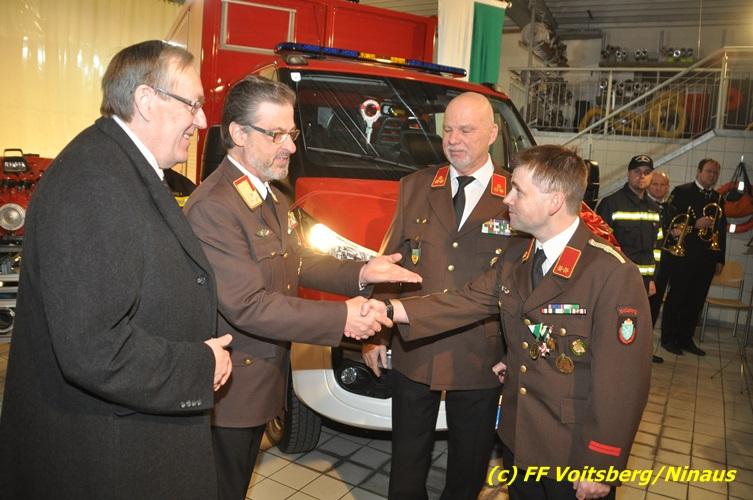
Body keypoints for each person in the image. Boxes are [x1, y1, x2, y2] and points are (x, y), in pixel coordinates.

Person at [0, 40, 232, 499]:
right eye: (193, 104)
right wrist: (199, 365)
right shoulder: (94, 183)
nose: (203, 120)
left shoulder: (119, 166)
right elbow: (93, 348)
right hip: (108, 453)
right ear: (146, 100)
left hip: (126, 437)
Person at [183, 75, 421, 500]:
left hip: (259, 381)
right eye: (275, 135)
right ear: (238, 134)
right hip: (231, 392)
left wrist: (364, 272)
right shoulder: (215, 207)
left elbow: (298, 261)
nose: (290, 147)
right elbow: (249, 306)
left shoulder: (269, 196)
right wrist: (343, 318)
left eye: (291, 134)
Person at [369, 145, 652, 500]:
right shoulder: (518, 254)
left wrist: (601, 464)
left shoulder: (610, 273)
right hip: (520, 441)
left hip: (572, 452)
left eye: (518, 191)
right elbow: (464, 301)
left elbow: (622, 383)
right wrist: (387, 311)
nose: (507, 199)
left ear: (554, 201)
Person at [361, 91, 514, 500]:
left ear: (492, 134)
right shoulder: (416, 186)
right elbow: (391, 264)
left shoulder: (515, 195)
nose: (454, 139)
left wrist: (516, 353)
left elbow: (524, 284)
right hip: (416, 345)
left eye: (466, 130)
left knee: (470, 460)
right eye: (448, 130)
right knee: (407, 458)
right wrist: (377, 335)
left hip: (481, 352)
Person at [596, 154, 663, 363]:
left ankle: (632, 360)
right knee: (613, 323)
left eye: (647, 173)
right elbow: (601, 245)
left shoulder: (654, 209)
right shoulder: (611, 204)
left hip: (643, 282)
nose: (642, 176)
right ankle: (610, 360)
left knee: (637, 324)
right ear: (629, 174)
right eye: (637, 172)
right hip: (617, 280)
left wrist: (652, 279)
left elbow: (656, 248)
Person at [660, 159, 726, 356]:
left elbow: (721, 230)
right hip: (684, 255)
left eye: (715, 172)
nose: (712, 175)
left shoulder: (718, 198)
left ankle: (686, 338)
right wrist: (695, 225)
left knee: (696, 300)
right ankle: (668, 338)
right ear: (699, 172)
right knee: (677, 297)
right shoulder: (681, 192)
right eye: (709, 171)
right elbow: (671, 223)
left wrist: (720, 258)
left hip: (707, 258)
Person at [646, 171, 674, 329]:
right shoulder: (642, 206)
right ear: (648, 185)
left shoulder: (672, 209)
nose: (658, 188)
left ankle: (648, 341)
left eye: (662, 185)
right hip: (645, 264)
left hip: (663, 265)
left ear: (667, 187)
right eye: (655, 184)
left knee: (655, 306)